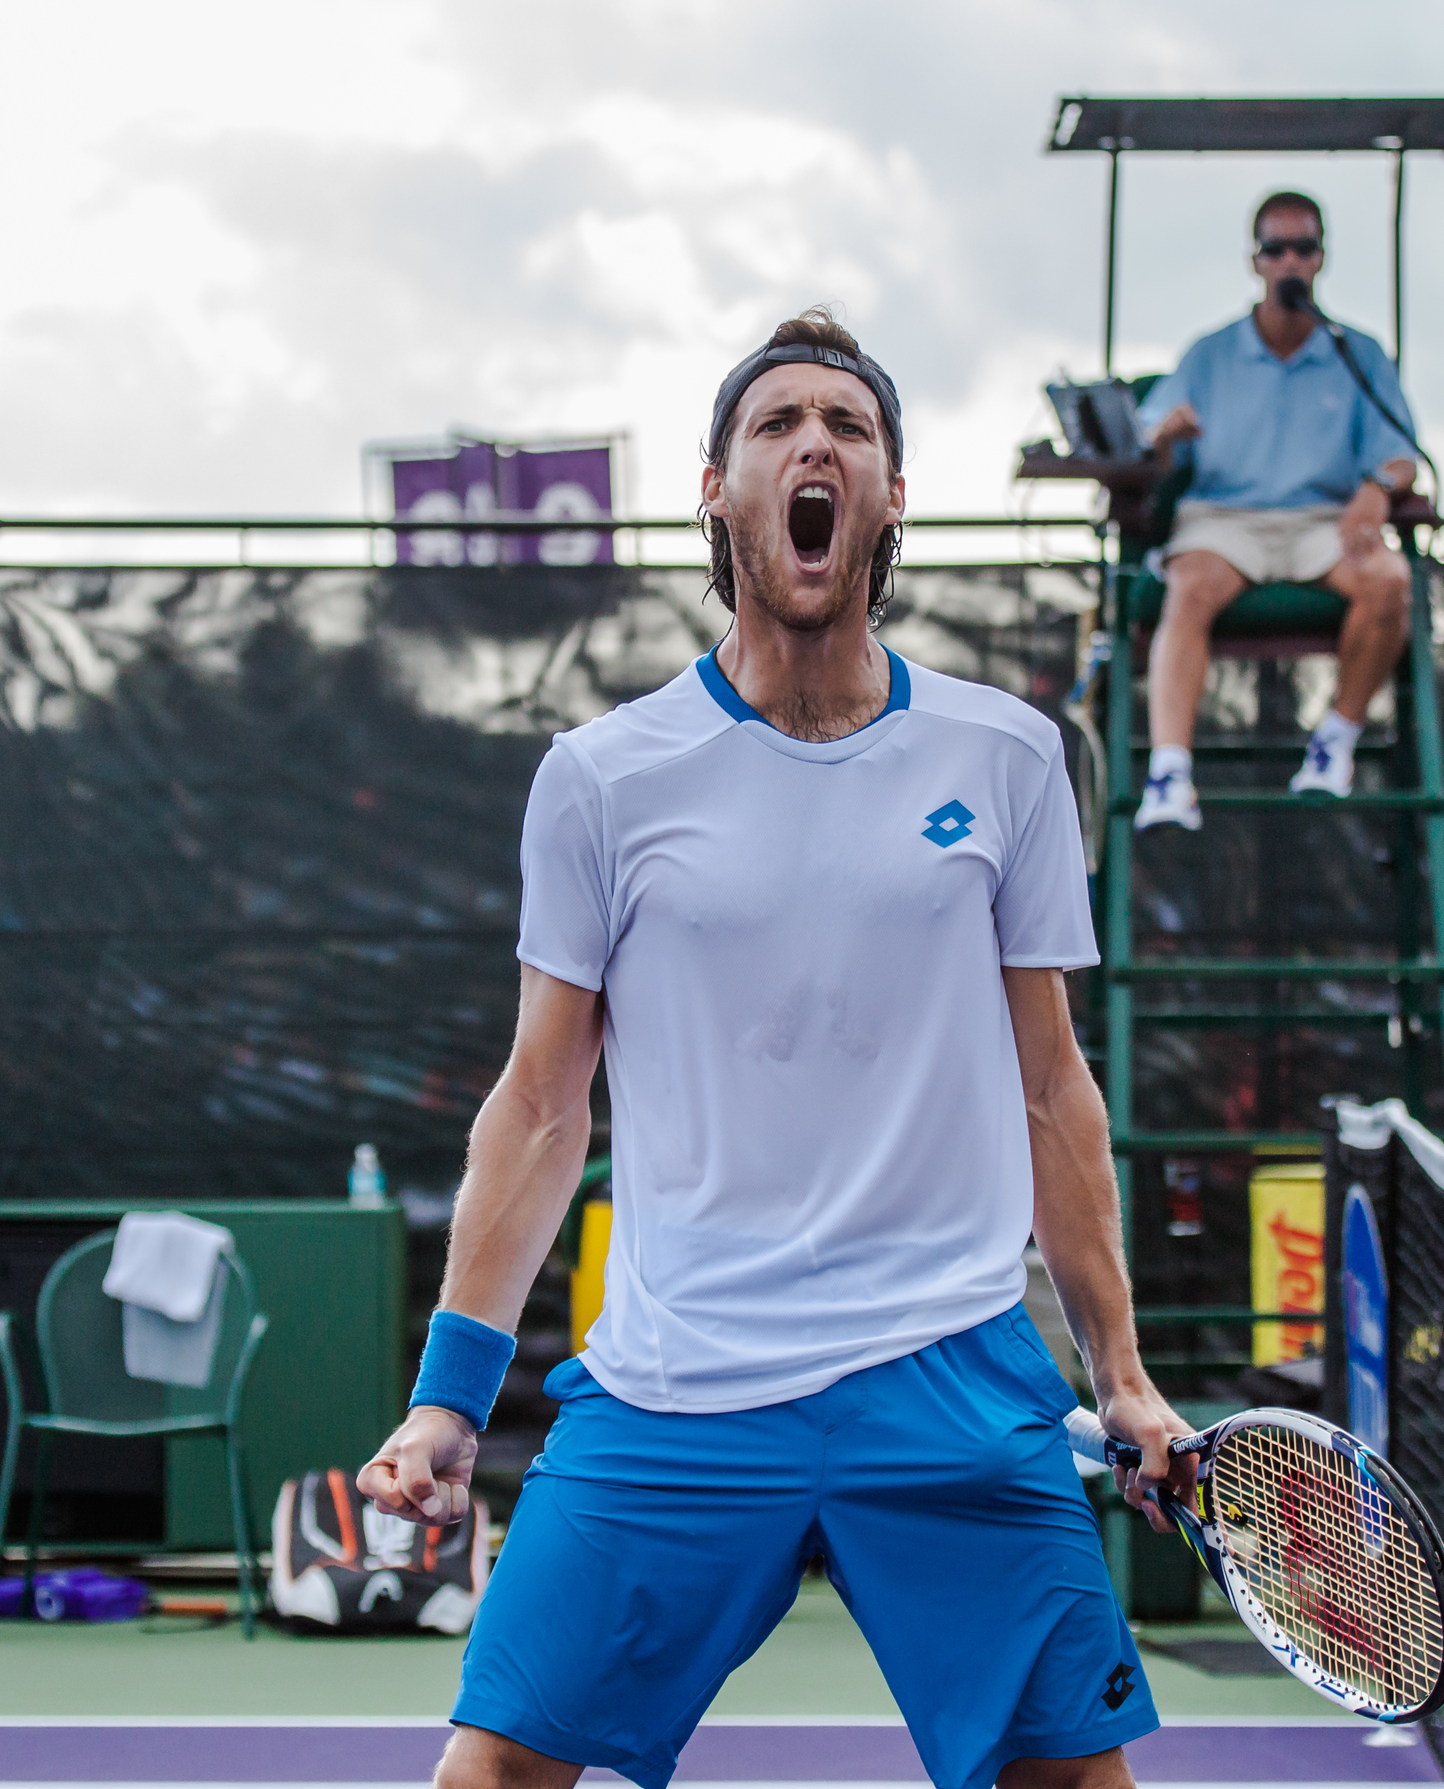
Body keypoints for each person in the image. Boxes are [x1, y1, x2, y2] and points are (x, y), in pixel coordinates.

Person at [358, 307, 1196, 1789]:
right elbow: (542, 1106)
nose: (817, 442)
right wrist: (448, 1391)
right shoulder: (601, 779)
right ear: (717, 488)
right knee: (487, 1776)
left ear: (887, 498)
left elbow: (1052, 1087)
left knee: (1081, 1784)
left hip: (950, 1368)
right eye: (777, 425)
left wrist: (1119, 1369)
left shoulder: (1006, 760)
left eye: (852, 428)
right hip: (680, 1381)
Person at [1131, 191, 1421, 830]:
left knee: (1391, 581)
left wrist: (1375, 489)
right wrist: (1163, 434)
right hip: (1223, 521)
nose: (1290, 261)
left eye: (1304, 248)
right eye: (1275, 248)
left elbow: (1403, 454)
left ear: (1321, 259)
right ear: (1255, 261)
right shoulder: (1208, 353)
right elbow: (1144, 429)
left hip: (1325, 523)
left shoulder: (1358, 352)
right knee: (1189, 585)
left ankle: (1334, 743)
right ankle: (1171, 774)